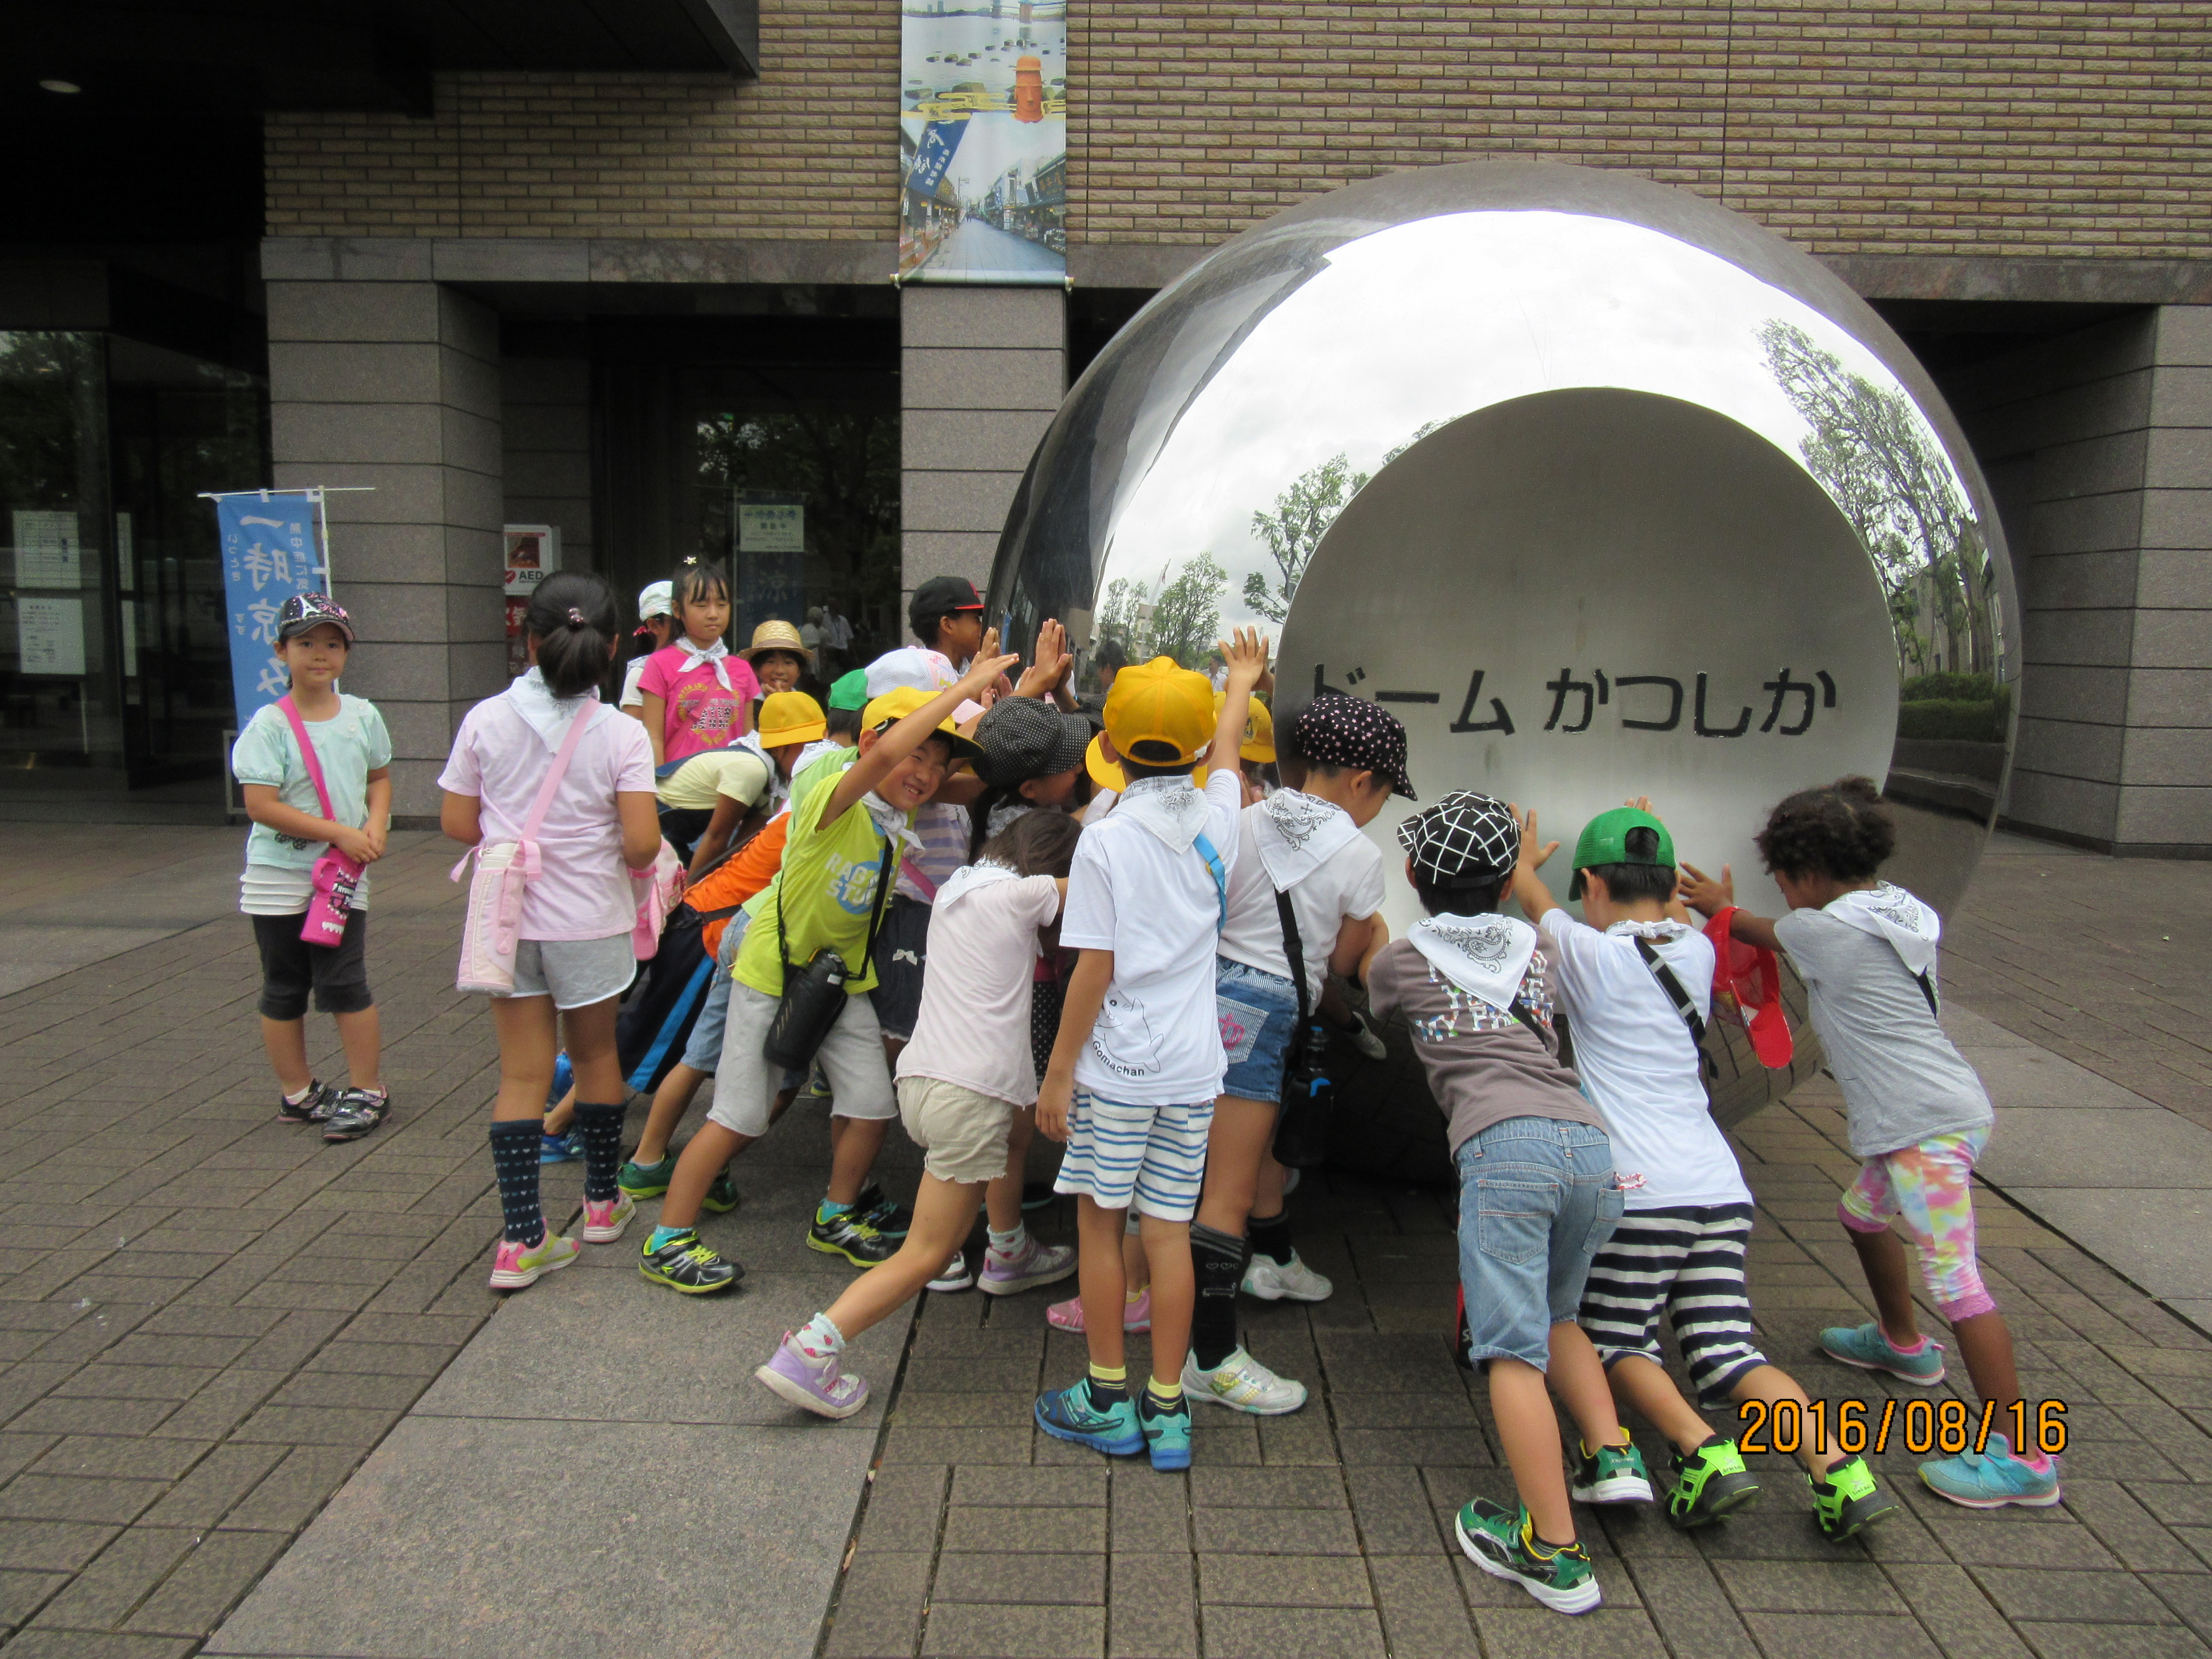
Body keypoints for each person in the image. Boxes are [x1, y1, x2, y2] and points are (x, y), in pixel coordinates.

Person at [1516, 802, 1899, 1539]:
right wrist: (1652, 833)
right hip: (1719, 1191)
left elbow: (1534, 900)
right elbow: (1664, 917)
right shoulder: (1693, 950)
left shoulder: (1584, 952)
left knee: (1615, 1340)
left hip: (1639, 1193)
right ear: (1669, 887)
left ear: (1591, 885)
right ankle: (1837, 1469)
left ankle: (1703, 1452)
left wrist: (1527, 864)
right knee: (1727, 1348)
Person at [1680, 777, 2057, 1510]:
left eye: (1784, 878)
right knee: (1861, 1215)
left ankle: (2023, 1458)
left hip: (1922, 1126)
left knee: (1958, 1282)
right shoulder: (1900, 905)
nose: (1783, 892)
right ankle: (1901, 1343)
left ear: (1809, 874)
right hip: (1937, 1108)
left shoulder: (1823, 930)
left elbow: (1753, 929)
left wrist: (1718, 906)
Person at [634, 648, 1017, 1293]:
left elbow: (968, 772)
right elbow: (888, 757)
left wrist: (1009, 697)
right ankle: (667, 1238)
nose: (927, 774)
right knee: (740, 1114)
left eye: (937, 764)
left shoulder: (900, 806)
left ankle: (837, 1214)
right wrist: (966, 687)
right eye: (916, 757)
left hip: (841, 978)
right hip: (773, 970)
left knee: (871, 1105)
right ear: (870, 743)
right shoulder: (830, 792)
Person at [1363, 791, 1635, 1616]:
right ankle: (1610, 1456)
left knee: (1511, 1350)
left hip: (1504, 1149)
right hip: (1588, 1146)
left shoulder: (1401, 960)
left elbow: (1374, 1002)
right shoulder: (1536, 946)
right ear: (1507, 882)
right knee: (1561, 1316)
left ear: (1414, 875)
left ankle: (1552, 1551)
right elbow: (1514, 928)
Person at [1032, 630, 1267, 1473]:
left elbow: (1093, 969)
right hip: (1194, 1070)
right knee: (1167, 1233)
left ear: (1110, 746)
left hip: (1118, 1070)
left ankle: (1105, 1399)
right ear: (1196, 750)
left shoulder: (1105, 838)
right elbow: (1229, 750)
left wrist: (1057, 1072)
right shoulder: (1221, 819)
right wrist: (1239, 683)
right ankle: (1168, 1409)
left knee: (1100, 1224)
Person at [757, 811, 1084, 1416]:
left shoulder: (961, 884)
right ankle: (812, 1350)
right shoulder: (1025, 894)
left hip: (924, 1080)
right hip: (968, 1095)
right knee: (929, 1251)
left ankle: (1010, 1248)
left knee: (1010, 1135)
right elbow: (1109, 874)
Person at [1181, 696, 1405, 1413]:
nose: (1380, 808)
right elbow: (1340, 962)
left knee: (1205, 1164)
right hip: (1265, 1009)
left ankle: (1269, 1265)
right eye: (1386, 793)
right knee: (1225, 1195)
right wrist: (1375, 932)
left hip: (1201, 992)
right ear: (1362, 781)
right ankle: (1210, 1359)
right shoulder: (1361, 856)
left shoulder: (1245, 816)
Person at [439, 573, 661, 1291]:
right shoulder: (622, 733)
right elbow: (641, 845)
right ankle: (601, 1204)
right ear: (614, 648)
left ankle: (522, 1239)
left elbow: (456, 823)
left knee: (521, 1076)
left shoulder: (485, 719)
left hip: (508, 921)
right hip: (589, 920)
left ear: (528, 640)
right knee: (595, 1057)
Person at [616, 723, 849, 1216]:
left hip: (718, 924)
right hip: (719, 932)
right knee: (759, 1074)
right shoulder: (816, 821)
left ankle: (646, 1159)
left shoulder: (786, 810)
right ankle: (691, 1166)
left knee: (691, 1054)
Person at [231, 592, 394, 1143]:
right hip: (277, 877)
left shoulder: (363, 716)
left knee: (345, 982)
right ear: (281, 651)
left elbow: (378, 777)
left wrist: (376, 824)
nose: (320, 654)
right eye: (305, 643)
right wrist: (340, 833)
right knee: (283, 986)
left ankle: (367, 1090)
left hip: (342, 879)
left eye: (332, 644)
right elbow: (261, 805)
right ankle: (298, 1093)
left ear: (346, 654)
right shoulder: (269, 725)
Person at [656, 691, 825, 876]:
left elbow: (741, 848)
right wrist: (693, 888)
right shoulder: (751, 770)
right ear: (778, 748)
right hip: (653, 823)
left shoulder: (777, 786)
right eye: (808, 748)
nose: (816, 756)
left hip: (678, 840)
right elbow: (717, 838)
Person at [637, 562, 758, 765]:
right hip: (678, 780)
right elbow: (653, 738)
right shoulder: (659, 664)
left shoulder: (743, 669)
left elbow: (748, 739)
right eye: (701, 606)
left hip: (730, 781)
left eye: (722, 604)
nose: (713, 614)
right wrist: (659, 781)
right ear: (677, 610)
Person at [619, 580, 675, 720]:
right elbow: (633, 731)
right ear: (654, 625)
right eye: (677, 621)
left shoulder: (709, 664)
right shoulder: (640, 674)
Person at [740, 619, 812, 700]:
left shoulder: (805, 704)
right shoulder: (746, 704)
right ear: (756, 669)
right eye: (771, 662)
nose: (780, 671)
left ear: (799, 670)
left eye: (788, 663)